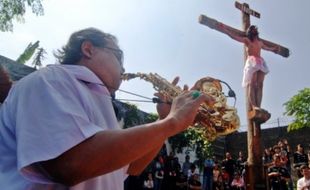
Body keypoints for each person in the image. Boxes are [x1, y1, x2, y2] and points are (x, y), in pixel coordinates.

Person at [0, 28, 213, 189]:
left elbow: (132, 166)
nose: (123, 67)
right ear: (88, 49)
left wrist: (163, 122)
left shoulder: (98, 99)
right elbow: (71, 163)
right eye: (118, 56)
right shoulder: (51, 79)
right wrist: (172, 122)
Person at [220, 24, 280, 112]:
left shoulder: (260, 43)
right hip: (252, 61)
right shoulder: (247, 40)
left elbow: (267, 48)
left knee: (260, 85)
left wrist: (274, 49)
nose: (255, 30)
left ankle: (258, 106)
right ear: (250, 32)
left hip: (260, 62)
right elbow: (234, 37)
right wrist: (225, 30)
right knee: (252, 84)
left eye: (255, 29)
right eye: (253, 29)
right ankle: (254, 106)